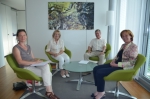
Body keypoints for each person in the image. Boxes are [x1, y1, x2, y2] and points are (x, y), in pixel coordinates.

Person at [12, 29, 59, 99]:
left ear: (26, 36)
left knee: (46, 66)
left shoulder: (28, 46)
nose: (23, 37)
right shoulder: (16, 48)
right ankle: (50, 92)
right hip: (25, 67)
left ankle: (49, 92)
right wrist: (34, 62)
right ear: (17, 37)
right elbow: (20, 62)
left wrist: (37, 60)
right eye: (20, 36)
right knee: (49, 74)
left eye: (24, 35)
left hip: (33, 65)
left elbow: (33, 57)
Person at [92, 30, 138, 99]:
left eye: (126, 35)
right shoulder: (123, 45)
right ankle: (99, 90)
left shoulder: (134, 47)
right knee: (96, 68)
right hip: (116, 64)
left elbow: (131, 63)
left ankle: (101, 92)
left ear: (131, 36)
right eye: (122, 36)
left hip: (122, 67)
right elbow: (118, 56)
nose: (124, 37)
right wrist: (113, 61)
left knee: (100, 72)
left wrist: (116, 65)